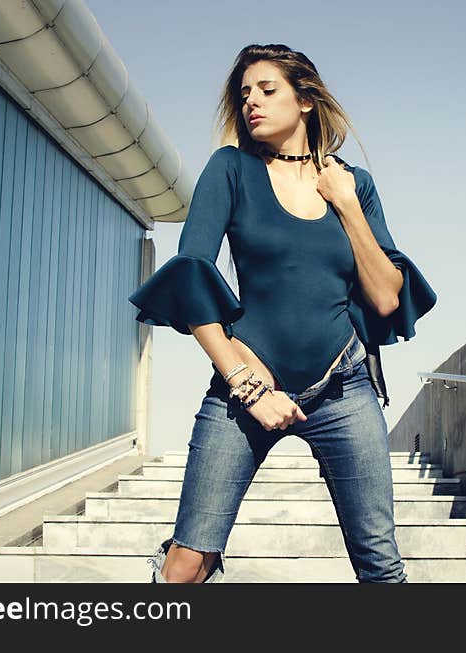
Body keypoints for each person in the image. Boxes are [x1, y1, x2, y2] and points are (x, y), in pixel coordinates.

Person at [129, 43, 436, 583]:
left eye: (267, 90)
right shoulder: (230, 169)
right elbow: (192, 273)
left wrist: (345, 202)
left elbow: (387, 297)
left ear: (306, 100)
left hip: (344, 389)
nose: (252, 102)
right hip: (247, 382)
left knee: (382, 567)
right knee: (187, 562)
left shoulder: (355, 184)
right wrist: (245, 383)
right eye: (244, 93)